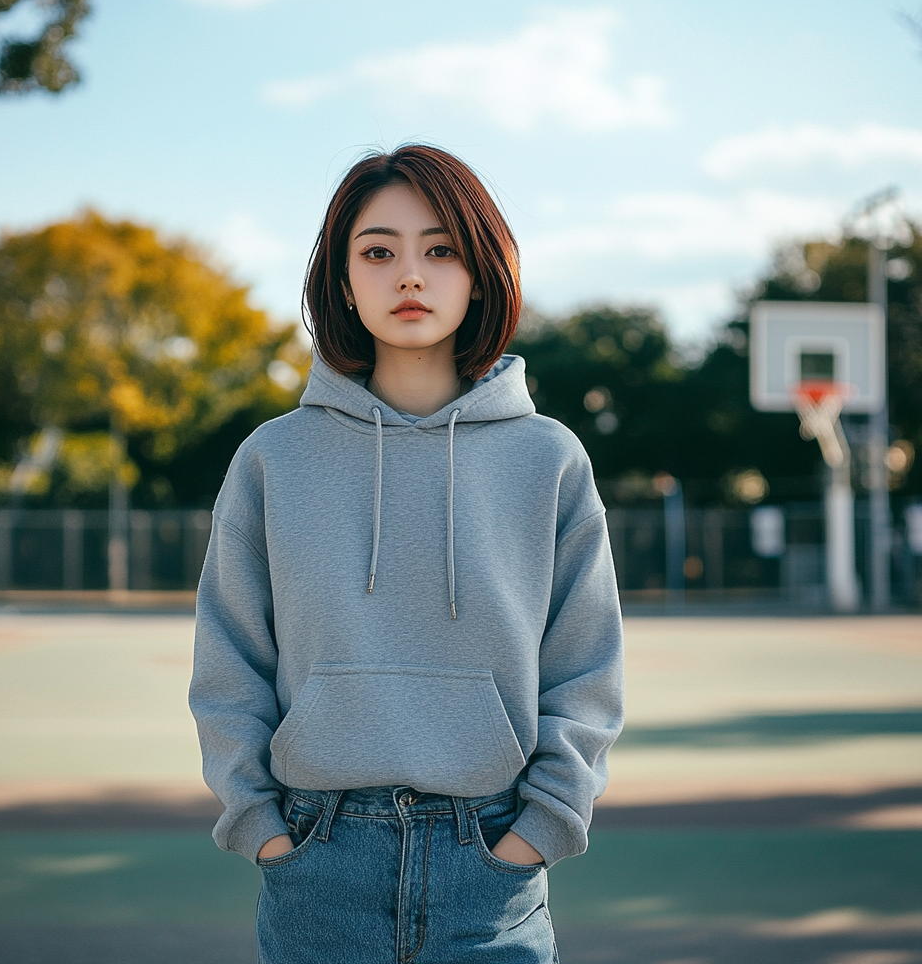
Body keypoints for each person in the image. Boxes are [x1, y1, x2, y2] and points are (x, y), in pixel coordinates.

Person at [189, 144, 624, 963]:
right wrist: (264, 831)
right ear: (343, 282)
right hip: (318, 860)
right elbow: (229, 660)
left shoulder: (550, 459)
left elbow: (586, 668)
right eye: (378, 251)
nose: (410, 276)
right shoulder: (272, 459)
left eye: (441, 249)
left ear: (481, 271)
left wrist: (537, 832)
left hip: (491, 862)